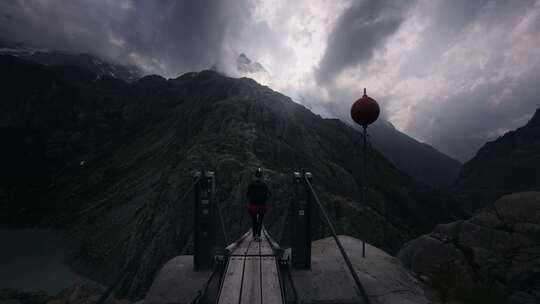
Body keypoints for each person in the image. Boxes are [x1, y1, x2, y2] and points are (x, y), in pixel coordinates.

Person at [246, 168, 271, 241]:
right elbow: (270, 194)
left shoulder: (251, 184)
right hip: (262, 206)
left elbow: (247, 194)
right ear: (261, 176)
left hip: (253, 205)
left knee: (254, 220)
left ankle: (254, 235)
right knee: (260, 220)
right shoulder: (264, 184)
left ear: (255, 176)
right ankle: (259, 235)